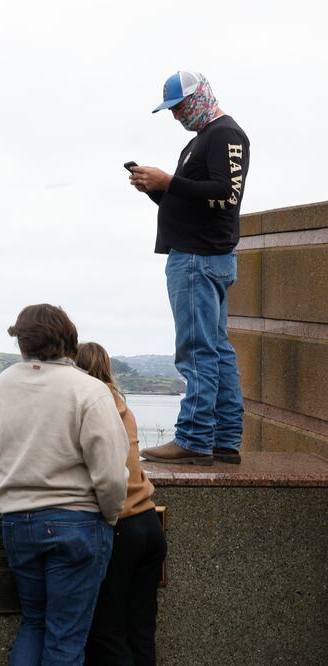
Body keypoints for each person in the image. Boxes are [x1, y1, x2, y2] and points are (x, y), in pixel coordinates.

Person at [0, 304, 129, 666]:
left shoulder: (2, 384)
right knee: (65, 639)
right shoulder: (89, 390)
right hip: (77, 523)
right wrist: (110, 518)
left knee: (34, 624)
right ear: (69, 339)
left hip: (17, 520)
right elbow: (111, 472)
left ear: (23, 342)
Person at [129, 71, 249, 466]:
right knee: (217, 350)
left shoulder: (225, 135)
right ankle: (225, 440)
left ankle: (195, 439)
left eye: (180, 106)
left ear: (200, 97)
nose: (177, 116)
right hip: (202, 256)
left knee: (196, 352)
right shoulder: (201, 141)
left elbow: (225, 196)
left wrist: (169, 180)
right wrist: (158, 189)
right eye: (172, 110)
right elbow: (190, 202)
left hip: (199, 259)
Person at [77, 342, 167, 666]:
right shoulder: (122, 405)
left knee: (107, 633)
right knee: (141, 629)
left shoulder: (89, 407)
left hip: (121, 527)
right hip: (149, 524)